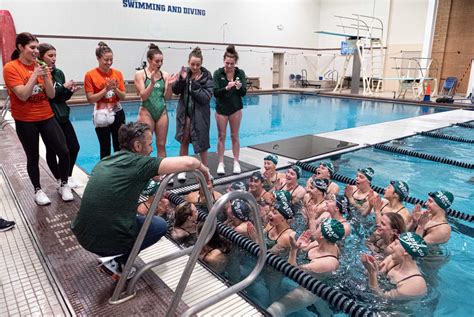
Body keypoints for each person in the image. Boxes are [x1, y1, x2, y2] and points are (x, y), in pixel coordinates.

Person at [71, 122, 210, 277]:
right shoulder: (138, 163)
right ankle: (118, 260)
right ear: (137, 145)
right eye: (150, 144)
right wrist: (204, 170)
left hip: (82, 233)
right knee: (159, 225)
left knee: (137, 215)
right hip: (102, 240)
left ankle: (114, 256)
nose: (152, 149)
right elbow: (189, 162)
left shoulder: (107, 161)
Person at [3, 32, 72, 205]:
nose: (35, 51)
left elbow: (51, 94)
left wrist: (46, 76)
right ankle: (37, 190)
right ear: (20, 47)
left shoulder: (41, 65)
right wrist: (35, 75)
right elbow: (23, 95)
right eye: (32, 47)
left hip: (46, 115)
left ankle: (63, 184)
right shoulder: (11, 68)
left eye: (37, 48)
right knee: (32, 156)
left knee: (64, 151)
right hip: (25, 120)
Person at [267, 218, 345, 317]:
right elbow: (300, 256)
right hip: (311, 278)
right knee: (324, 311)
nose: (314, 230)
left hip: (312, 289)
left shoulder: (328, 262)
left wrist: (293, 249)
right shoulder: (319, 243)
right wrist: (299, 247)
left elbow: (291, 272)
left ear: (322, 235)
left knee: (275, 309)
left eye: (318, 228)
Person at [38, 43, 81, 189]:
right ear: (41, 56)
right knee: (53, 150)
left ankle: (66, 176)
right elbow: (48, 96)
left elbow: (60, 97)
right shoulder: (39, 74)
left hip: (62, 115)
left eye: (55, 55)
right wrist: (63, 88)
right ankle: (59, 179)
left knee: (74, 147)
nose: (54, 58)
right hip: (49, 117)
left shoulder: (59, 73)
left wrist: (69, 91)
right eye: (50, 55)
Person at [172, 47, 213, 181]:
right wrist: (181, 80)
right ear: (188, 62)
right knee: (184, 140)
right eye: (192, 64)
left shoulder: (207, 76)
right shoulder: (185, 73)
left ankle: (205, 169)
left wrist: (195, 85)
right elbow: (176, 91)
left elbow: (206, 97)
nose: (195, 67)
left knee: (202, 143)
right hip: (185, 114)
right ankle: (182, 169)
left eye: (198, 64)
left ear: (201, 64)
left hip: (201, 115)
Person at [135, 44, 178, 158]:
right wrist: (152, 83)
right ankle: (145, 173)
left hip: (161, 112)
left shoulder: (165, 75)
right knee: (145, 146)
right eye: (156, 61)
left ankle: (162, 174)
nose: (159, 64)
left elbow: (167, 97)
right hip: (146, 112)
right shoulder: (140, 75)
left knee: (161, 145)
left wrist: (169, 86)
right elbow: (143, 96)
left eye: (161, 61)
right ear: (149, 60)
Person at [84, 42, 126, 160]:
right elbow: (90, 99)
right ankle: (105, 175)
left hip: (117, 111)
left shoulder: (117, 73)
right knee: (105, 147)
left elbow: (123, 97)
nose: (109, 63)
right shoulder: (90, 75)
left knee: (120, 145)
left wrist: (115, 88)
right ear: (98, 58)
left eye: (111, 60)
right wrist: (105, 89)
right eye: (106, 60)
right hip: (101, 113)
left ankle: (121, 171)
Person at [361, 232, 428, 299]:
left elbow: (381, 299)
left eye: (395, 244)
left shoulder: (414, 284)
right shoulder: (393, 260)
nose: (391, 246)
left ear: (405, 252)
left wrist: (372, 273)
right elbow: (371, 274)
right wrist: (372, 266)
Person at [213, 45, 247, 175]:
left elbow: (244, 93)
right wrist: (227, 87)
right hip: (221, 109)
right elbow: (215, 93)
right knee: (221, 136)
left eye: (232, 64)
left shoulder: (240, 73)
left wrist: (239, 87)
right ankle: (221, 162)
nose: (229, 66)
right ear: (224, 61)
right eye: (227, 63)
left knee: (235, 136)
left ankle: (236, 162)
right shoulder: (218, 73)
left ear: (235, 63)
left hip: (235, 109)